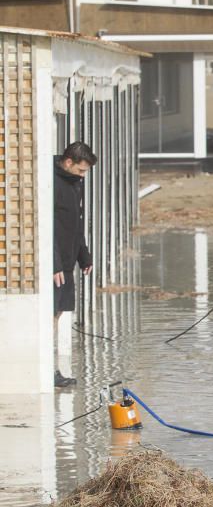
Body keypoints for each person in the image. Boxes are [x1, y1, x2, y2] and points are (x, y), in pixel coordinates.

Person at [53, 141, 97, 388]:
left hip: (67, 261)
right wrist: (54, 262)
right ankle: (49, 371)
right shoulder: (53, 183)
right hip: (55, 264)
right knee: (50, 316)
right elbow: (47, 226)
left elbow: (76, 222)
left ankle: (55, 371)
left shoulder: (74, 184)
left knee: (59, 314)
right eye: (81, 171)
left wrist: (84, 255)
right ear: (68, 162)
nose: (83, 176)